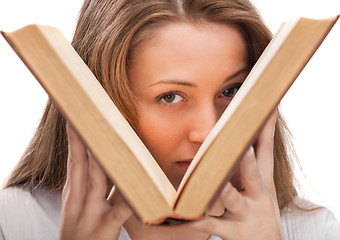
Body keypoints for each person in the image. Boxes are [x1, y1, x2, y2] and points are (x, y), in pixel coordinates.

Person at [0, 0, 339, 239]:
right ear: (102, 104)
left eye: (232, 91)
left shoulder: (311, 230)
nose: (209, 131)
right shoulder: (15, 222)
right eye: (171, 97)